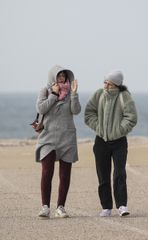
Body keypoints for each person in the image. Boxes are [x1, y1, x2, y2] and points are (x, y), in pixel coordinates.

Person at [84, 70, 137, 217]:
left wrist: (119, 131)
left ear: (117, 85)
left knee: (119, 174)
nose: (106, 85)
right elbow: (89, 113)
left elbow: (131, 117)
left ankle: (122, 206)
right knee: (103, 175)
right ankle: (106, 207)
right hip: (101, 141)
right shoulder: (98, 94)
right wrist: (99, 128)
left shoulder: (124, 96)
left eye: (109, 83)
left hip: (119, 142)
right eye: (105, 82)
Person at [35, 65, 81, 218]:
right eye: (59, 75)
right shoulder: (45, 90)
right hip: (48, 137)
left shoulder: (70, 92)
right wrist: (54, 94)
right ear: (53, 77)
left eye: (64, 75)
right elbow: (41, 109)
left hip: (67, 137)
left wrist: (74, 94)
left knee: (65, 174)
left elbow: (76, 110)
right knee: (47, 172)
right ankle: (45, 207)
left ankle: (61, 207)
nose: (62, 77)